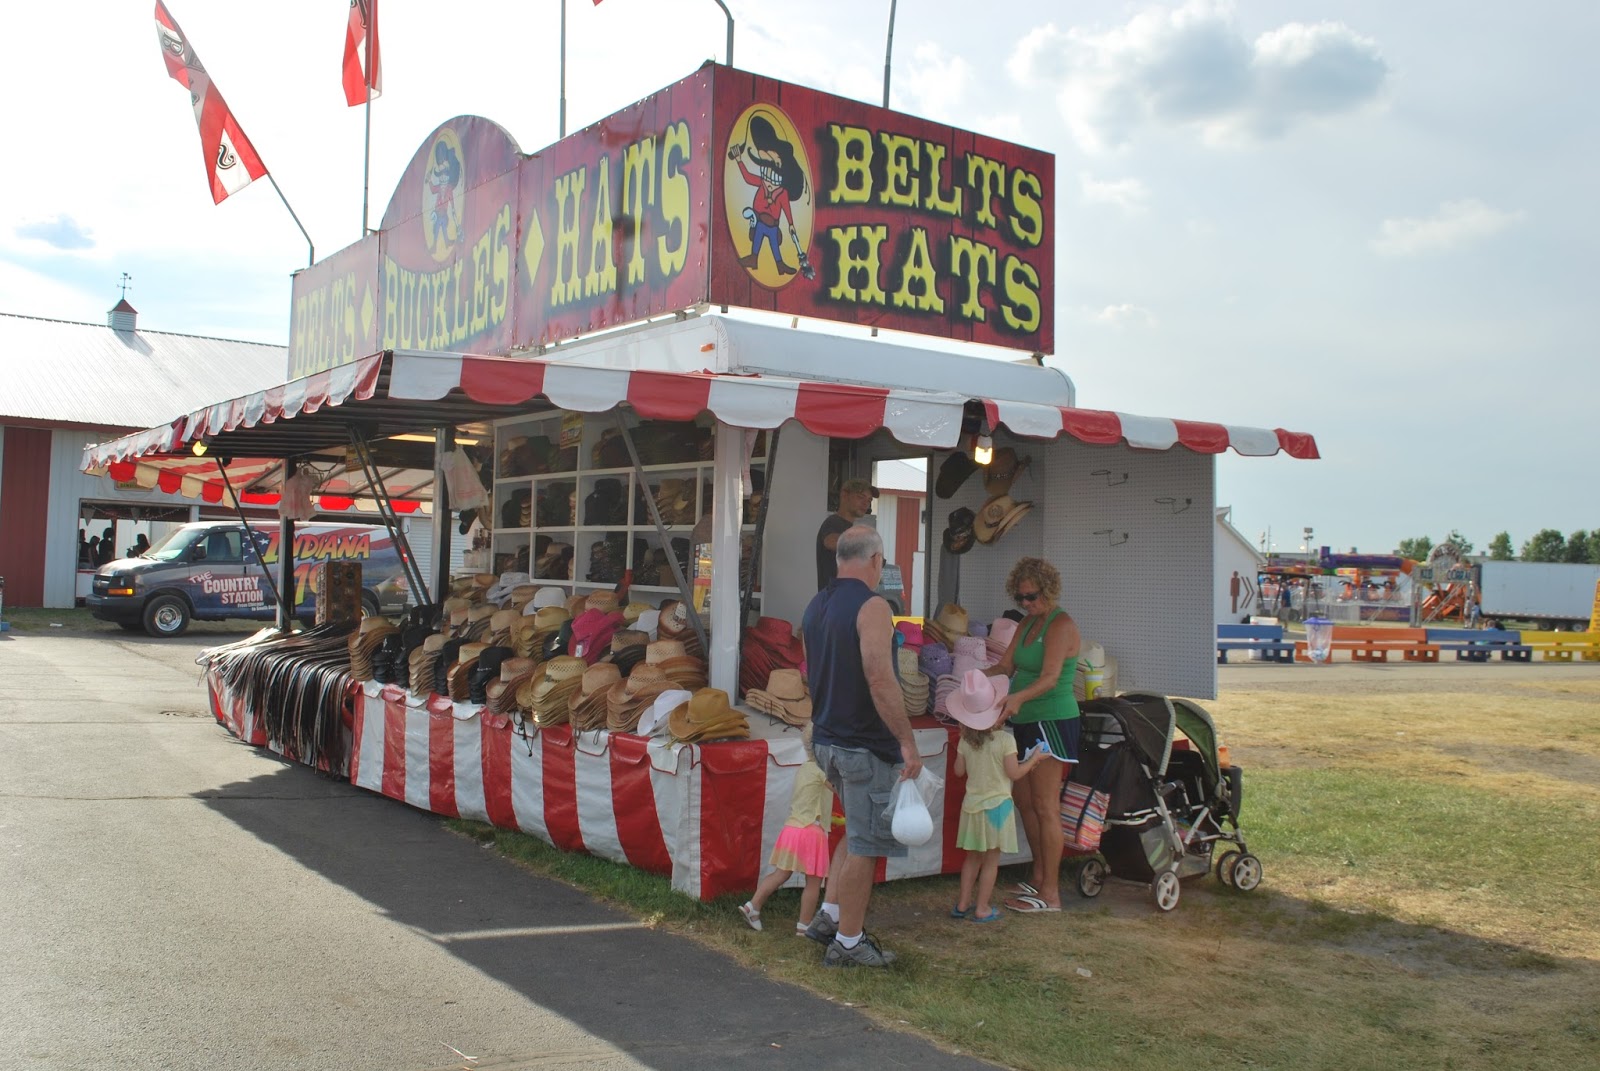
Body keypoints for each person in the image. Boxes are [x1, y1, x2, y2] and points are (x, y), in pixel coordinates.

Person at [801, 525, 922, 967]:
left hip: (828, 737)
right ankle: (849, 942)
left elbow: (807, 672)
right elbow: (879, 674)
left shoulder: (817, 605)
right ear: (876, 561)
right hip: (863, 743)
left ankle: (830, 916)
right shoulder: (873, 606)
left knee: (855, 828)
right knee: (868, 842)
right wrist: (906, 741)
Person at [984, 557, 1081, 913]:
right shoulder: (1027, 622)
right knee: (1025, 802)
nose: (1026, 603)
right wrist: (976, 677)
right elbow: (1005, 666)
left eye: (1032, 596)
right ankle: (1040, 876)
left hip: (1051, 721)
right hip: (1024, 718)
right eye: (1020, 597)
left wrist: (1017, 698)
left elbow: (1051, 677)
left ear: (1049, 590)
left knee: (1045, 806)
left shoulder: (1061, 624)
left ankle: (1051, 895)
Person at [951, 687, 1046, 923]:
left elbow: (958, 771)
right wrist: (1034, 760)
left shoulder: (965, 740)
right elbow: (1014, 773)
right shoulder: (1006, 740)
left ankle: (962, 903)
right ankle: (982, 907)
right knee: (991, 861)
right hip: (998, 808)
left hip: (972, 807)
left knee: (972, 858)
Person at [739, 729, 832, 936]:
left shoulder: (804, 768)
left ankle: (752, 906)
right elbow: (837, 787)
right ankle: (804, 926)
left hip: (792, 829)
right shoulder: (823, 770)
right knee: (814, 882)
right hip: (811, 831)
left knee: (781, 873)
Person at [815, 479, 877, 590]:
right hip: (834, 601)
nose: (865, 503)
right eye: (860, 497)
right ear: (844, 495)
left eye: (869, 500)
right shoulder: (834, 522)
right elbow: (830, 541)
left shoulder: (849, 528)